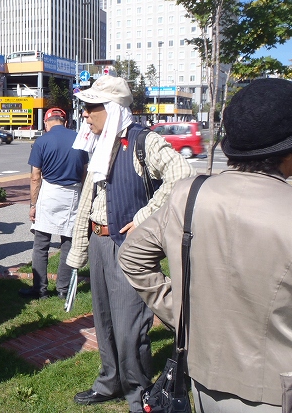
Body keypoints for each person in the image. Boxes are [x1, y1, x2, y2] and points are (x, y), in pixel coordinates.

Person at [119, 78, 292, 412]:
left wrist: (181, 314)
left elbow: (132, 257)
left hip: (202, 377)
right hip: (286, 390)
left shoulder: (188, 193)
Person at [66, 75, 194, 411]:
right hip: (99, 240)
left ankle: (138, 394)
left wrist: (144, 217)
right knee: (104, 320)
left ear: (112, 108)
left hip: (128, 246)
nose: (85, 114)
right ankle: (109, 381)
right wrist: (79, 248)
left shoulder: (143, 140)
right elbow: (88, 198)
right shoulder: (100, 143)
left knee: (129, 327)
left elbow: (182, 174)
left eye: (91, 107)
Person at [18, 107, 88, 300]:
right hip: (73, 193)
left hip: (49, 192)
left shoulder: (42, 141)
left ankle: (39, 289)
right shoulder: (80, 138)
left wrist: (33, 205)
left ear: (46, 123)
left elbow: (35, 176)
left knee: (41, 243)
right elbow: (85, 172)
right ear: (65, 122)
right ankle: (63, 289)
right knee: (68, 243)